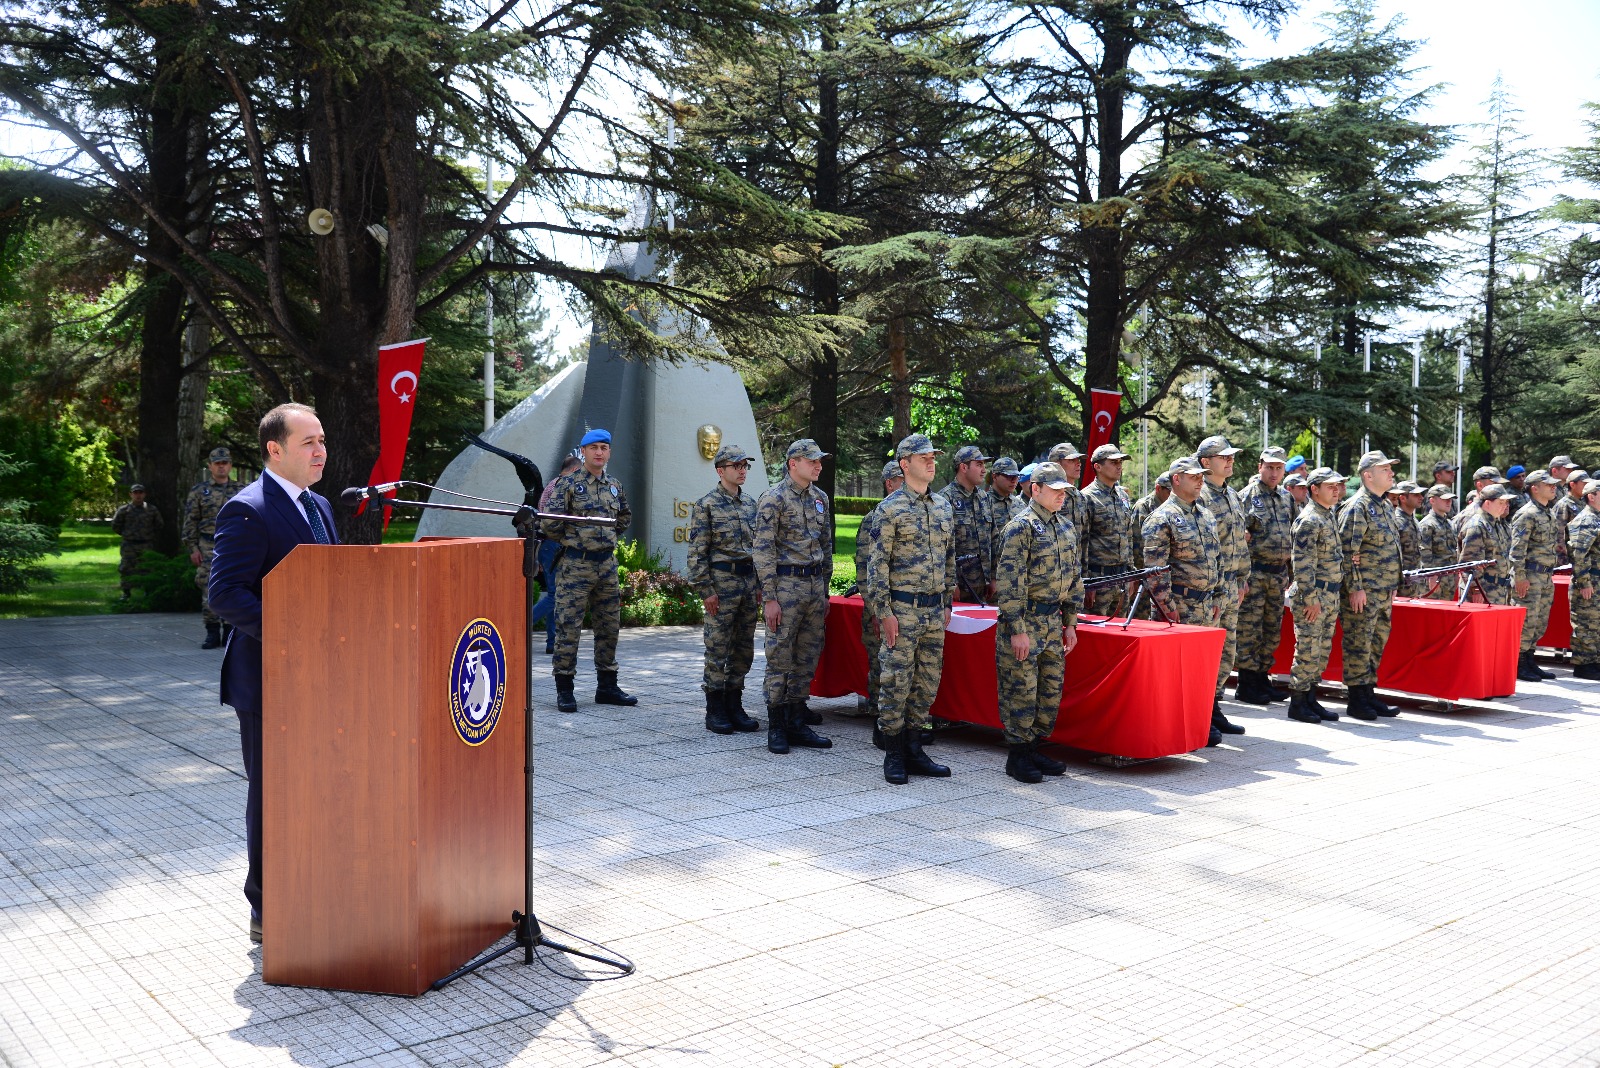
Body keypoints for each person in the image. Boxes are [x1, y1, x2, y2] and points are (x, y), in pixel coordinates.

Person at [208, 403, 337, 944]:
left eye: (323, 440)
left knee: (317, 788)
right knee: (273, 793)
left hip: (323, 677)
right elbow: (225, 595)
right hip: (269, 680)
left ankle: (315, 887)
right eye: (308, 442)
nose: (320, 451)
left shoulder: (320, 506)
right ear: (275, 450)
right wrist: (297, 631)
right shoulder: (248, 509)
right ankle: (265, 905)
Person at [863, 434, 955, 783]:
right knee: (895, 681)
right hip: (901, 610)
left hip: (933, 611)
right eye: (924, 457)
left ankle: (915, 748)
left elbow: (949, 559)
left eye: (933, 456)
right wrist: (883, 612)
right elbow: (877, 566)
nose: (931, 462)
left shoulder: (943, 506)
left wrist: (946, 601)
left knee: (927, 683)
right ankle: (894, 753)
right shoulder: (890, 508)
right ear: (905, 464)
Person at [994, 461, 1083, 783]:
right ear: (1036, 489)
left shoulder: (1065, 527)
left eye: (1064, 491)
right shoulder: (1021, 527)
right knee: (1022, 690)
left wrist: (1071, 623)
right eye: (1055, 491)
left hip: (1052, 620)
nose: (1062, 497)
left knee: (1048, 691)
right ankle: (1017, 756)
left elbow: (1074, 579)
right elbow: (1009, 582)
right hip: (1025, 620)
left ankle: (1034, 746)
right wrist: (1017, 630)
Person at [540, 429, 636, 714]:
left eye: (604, 447)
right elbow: (550, 523)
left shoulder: (614, 485)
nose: (599, 452)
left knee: (609, 627)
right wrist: (577, 541)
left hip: (606, 565)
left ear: (609, 452)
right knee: (569, 627)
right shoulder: (568, 484)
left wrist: (602, 540)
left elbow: (624, 518)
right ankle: (565, 689)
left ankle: (607, 686)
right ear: (583, 452)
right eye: (593, 447)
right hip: (575, 565)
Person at [753, 439, 835, 754]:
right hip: (785, 588)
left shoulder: (820, 498)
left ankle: (797, 721)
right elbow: (763, 550)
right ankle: (777, 726)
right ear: (793, 463)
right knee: (779, 657)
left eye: (819, 460)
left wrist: (825, 590)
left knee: (807, 656)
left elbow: (826, 545)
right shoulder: (773, 499)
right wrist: (770, 597)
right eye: (811, 460)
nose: (818, 465)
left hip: (814, 587)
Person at [1141, 455, 1226, 747]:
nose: (1201, 479)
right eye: (1194, 476)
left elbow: (1218, 559)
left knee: (1203, 673)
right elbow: (1155, 570)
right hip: (1179, 606)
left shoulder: (1205, 514)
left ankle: (1202, 722)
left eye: (1202, 475)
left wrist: (1219, 594)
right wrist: (1168, 608)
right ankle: (1173, 730)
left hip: (1207, 605)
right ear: (1176, 480)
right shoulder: (1161, 518)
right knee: (1175, 676)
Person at [687, 444, 763, 735]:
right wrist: (706, 589)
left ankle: (735, 703)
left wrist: (758, 585)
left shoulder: (751, 505)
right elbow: (697, 552)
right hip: (721, 584)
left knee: (744, 649)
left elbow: (758, 550)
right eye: (737, 466)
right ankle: (715, 708)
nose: (743, 470)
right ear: (721, 471)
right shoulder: (706, 505)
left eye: (745, 465)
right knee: (718, 647)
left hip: (746, 585)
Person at [1337, 450, 1403, 720]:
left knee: (1376, 643)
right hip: (1365, 590)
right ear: (1368, 475)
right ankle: (1356, 698)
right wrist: (1355, 587)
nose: (1391, 473)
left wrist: (1393, 581)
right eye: (1385, 469)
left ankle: (1368, 692)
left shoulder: (1384, 505)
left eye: (1390, 469)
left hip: (1383, 588)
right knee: (1358, 643)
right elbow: (1346, 550)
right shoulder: (1357, 506)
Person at [1195, 435, 1249, 736]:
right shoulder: (1199, 496)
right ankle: (1201, 712)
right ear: (1206, 463)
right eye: (1223, 457)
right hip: (1210, 589)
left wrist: (1242, 579)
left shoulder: (1232, 494)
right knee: (1207, 653)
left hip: (1231, 585)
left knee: (1226, 652)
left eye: (1231, 456)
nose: (1230, 461)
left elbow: (1239, 542)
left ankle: (1214, 707)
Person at [1286, 467, 1347, 724]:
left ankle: (1311, 698)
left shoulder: (1327, 515)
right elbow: (1302, 563)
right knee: (1308, 650)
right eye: (1330, 486)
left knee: (1321, 650)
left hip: (1329, 594)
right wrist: (1310, 598)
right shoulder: (1309, 519)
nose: (1336, 490)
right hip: (1314, 595)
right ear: (1314, 489)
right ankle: (1298, 703)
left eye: (1337, 486)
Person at [1236, 446, 1294, 704]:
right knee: (1250, 629)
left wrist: (1290, 574)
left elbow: (1292, 535)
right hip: (1255, 574)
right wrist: (1241, 577)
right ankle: (1247, 684)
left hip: (1278, 575)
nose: (1274, 472)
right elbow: (1238, 540)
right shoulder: (1246, 496)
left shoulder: (1286, 497)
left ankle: (1262, 678)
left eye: (1278, 468)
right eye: (1269, 467)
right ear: (1260, 466)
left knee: (1271, 630)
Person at [851, 461, 905, 724]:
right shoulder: (875, 518)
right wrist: (875, 610)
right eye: (900, 479)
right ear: (889, 484)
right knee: (881, 664)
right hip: (880, 607)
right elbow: (864, 569)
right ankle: (879, 717)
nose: (905, 483)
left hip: (906, 607)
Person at [182, 447, 244, 648]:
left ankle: (229, 632)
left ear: (230, 465)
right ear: (210, 466)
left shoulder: (241, 490)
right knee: (208, 588)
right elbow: (190, 521)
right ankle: (211, 633)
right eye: (217, 463)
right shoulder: (199, 491)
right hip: (208, 545)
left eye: (225, 462)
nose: (221, 466)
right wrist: (193, 548)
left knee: (233, 587)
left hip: (234, 546)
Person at [1510, 469, 1563, 682]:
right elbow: (1517, 549)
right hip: (1530, 575)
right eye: (1548, 484)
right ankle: (1518, 663)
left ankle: (1530, 659)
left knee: (1539, 622)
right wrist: (1519, 577)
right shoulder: (1527, 513)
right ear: (1535, 488)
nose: (1554, 487)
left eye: (1554, 484)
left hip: (1545, 576)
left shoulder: (1547, 512)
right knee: (1526, 621)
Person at [530, 455, 582, 655]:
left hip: (547, 545)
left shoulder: (553, 484)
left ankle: (552, 642)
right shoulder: (562, 487)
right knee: (556, 594)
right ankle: (523, 625)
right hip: (553, 544)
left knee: (555, 592)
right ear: (572, 470)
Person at [1080, 444, 1135, 617]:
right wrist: (1086, 583)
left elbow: (1128, 535)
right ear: (1098, 466)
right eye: (1113, 462)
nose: (1119, 466)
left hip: (1122, 578)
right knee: (1097, 635)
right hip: (1098, 579)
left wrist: (1131, 572)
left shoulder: (1122, 496)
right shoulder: (1086, 497)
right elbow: (1081, 542)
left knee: (1121, 634)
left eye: (1120, 461)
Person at [939, 445, 994, 603]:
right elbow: (940, 545)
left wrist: (993, 577)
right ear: (964, 467)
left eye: (984, 465)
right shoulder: (944, 499)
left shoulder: (984, 498)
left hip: (983, 585)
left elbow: (994, 537)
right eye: (979, 465)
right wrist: (950, 582)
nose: (984, 470)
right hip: (958, 588)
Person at [1565, 479, 1600, 680]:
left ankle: (1595, 662)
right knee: (1587, 623)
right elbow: (1579, 554)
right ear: (1591, 496)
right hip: (1590, 580)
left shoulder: (1597, 518)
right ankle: (1584, 664)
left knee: (1596, 624)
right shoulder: (1585, 520)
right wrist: (1584, 582)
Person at [1459, 484, 1513, 605]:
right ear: (1488, 503)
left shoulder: (1497, 523)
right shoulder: (1477, 525)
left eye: (1506, 502)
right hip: (1483, 591)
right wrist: (1476, 589)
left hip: (1499, 590)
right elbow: (1469, 563)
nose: (1505, 506)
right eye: (1501, 502)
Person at [111, 484, 162, 599]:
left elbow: (159, 525)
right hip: (129, 544)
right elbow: (115, 525)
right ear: (131, 494)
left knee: (147, 568)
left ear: (144, 494)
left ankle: (147, 592)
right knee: (126, 568)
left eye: (140, 493)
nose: (138, 495)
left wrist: (148, 534)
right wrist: (127, 534)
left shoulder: (151, 510)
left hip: (146, 543)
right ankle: (126, 593)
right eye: (135, 493)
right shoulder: (124, 510)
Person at [1417, 484, 1459, 599]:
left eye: (1450, 499)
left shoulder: (1449, 524)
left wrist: (1456, 574)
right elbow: (1424, 552)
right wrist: (1431, 575)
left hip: (1449, 577)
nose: (1449, 502)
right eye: (1444, 499)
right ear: (1432, 500)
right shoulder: (1427, 524)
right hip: (1435, 579)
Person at [985, 456, 1027, 565]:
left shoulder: (1020, 504)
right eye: (1009, 476)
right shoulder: (982, 503)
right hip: (993, 568)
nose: (1014, 480)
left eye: (1016, 476)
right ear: (994, 477)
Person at [1389, 480, 1424, 596]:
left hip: (1414, 582)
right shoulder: (1396, 521)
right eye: (1416, 495)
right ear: (1403, 498)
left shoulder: (1413, 520)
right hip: (1400, 586)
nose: (1421, 497)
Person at [1129, 471, 1172, 568]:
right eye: (1169, 491)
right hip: (1147, 566)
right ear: (1158, 488)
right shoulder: (1143, 506)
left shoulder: (1172, 507)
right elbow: (1137, 540)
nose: (1172, 495)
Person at [1046, 442, 1088, 530]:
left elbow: (1084, 536)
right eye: (1072, 460)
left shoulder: (1081, 497)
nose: (1078, 464)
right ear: (1057, 464)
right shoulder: (1046, 495)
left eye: (1078, 460)